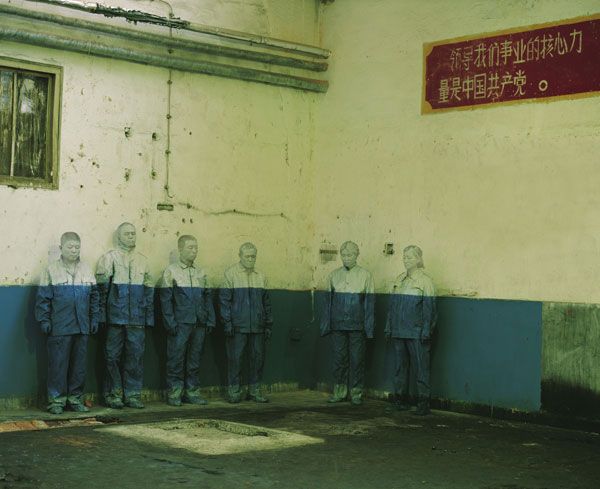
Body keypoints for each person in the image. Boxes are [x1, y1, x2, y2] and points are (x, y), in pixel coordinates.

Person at [35, 232, 99, 414]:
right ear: (61, 248)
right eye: (70, 247)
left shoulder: (87, 269)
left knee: (79, 367)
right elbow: (42, 299)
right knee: (58, 365)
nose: (74, 250)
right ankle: (56, 401)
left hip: (82, 326)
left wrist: (94, 318)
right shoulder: (50, 270)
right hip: (59, 326)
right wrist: (44, 320)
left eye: (77, 247)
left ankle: (75, 399)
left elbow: (94, 297)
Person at [96, 222, 154, 409]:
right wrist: (102, 316)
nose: (131, 237)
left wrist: (148, 317)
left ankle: (133, 395)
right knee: (111, 357)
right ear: (119, 237)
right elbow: (102, 290)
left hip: (137, 320)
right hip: (115, 319)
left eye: (133, 234)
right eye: (127, 234)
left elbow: (149, 292)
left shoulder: (143, 261)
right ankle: (113, 394)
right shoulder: (109, 259)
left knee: (135, 357)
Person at [159, 235, 215, 406]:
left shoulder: (201, 272)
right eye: (190, 247)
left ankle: (192, 392)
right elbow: (165, 299)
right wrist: (170, 322)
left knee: (194, 359)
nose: (194, 251)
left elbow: (207, 298)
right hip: (180, 324)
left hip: (199, 323)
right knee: (176, 359)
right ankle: (175, 393)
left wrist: (210, 320)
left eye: (196, 247)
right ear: (180, 250)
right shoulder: (171, 271)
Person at [321, 241, 374, 405]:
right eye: (343, 255)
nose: (346, 258)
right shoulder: (333, 275)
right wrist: (326, 326)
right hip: (338, 325)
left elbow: (370, 304)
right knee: (339, 360)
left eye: (350, 255)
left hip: (357, 326)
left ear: (357, 255)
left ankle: (356, 393)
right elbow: (327, 304)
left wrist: (369, 328)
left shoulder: (366, 275)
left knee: (357, 360)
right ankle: (339, 392)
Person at [385, 245, 436, 415]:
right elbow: (392, 307)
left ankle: (423, 402)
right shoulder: (399, 280)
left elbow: (430, 309)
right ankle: (400, 400)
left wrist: (426, 330)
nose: (406, 260)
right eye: (404, 257)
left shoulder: (425, 281)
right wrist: (389, 326)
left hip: (417, 332)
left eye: (410, 257)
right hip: (399, 331)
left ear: (419, 259)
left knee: (421, 368)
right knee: (400, 367)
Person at [219, 242, 273, 403]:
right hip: (238, 326)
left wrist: (268, 324)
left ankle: (255, 391)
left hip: (257, 326)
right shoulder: (230, 274)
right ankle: (234, 391)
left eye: (253, 256)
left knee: (258, 359)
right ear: (240, 256)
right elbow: (224, 301)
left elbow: (267, 303)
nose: (251, 259)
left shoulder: (261, 276)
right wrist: (227, 323)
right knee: (235, 359)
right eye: (247, 256)